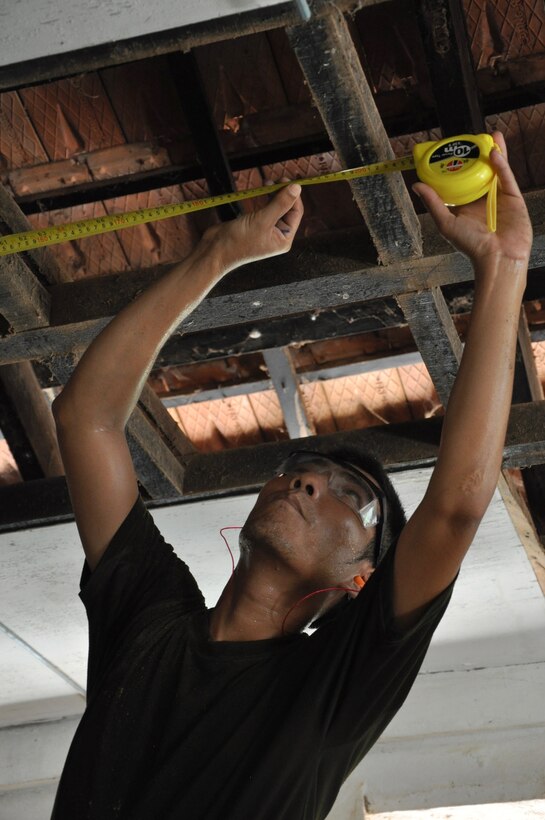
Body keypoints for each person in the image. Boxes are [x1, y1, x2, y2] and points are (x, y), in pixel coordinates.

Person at [50, 131, 532, 819]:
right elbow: (85, 418)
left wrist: (504, 266)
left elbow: (456, 506)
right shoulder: (148, 615)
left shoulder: (330, 690)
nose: (306, 483)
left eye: (350, 497)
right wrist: (218, 254)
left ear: (361, 581)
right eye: (301, 469)